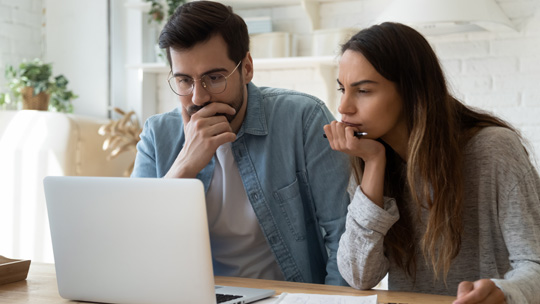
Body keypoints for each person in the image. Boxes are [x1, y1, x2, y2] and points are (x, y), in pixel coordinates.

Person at [131, 1, 351, 286]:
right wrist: (185, 165)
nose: (198, 97)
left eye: (214, 77)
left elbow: (343, 237)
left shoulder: (303, 119)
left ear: (246, 68)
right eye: (184, 80)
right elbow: (136, 244)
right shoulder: (156, 135)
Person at [324, 22, 540, 303]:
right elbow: (360, 276)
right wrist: (374, 163)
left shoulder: (494, 149)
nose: (343, 107)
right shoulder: (370, 156)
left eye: (363, 91)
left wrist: (504, 292)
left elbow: (535, 264)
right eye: (342, 89)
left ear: (411, 91)